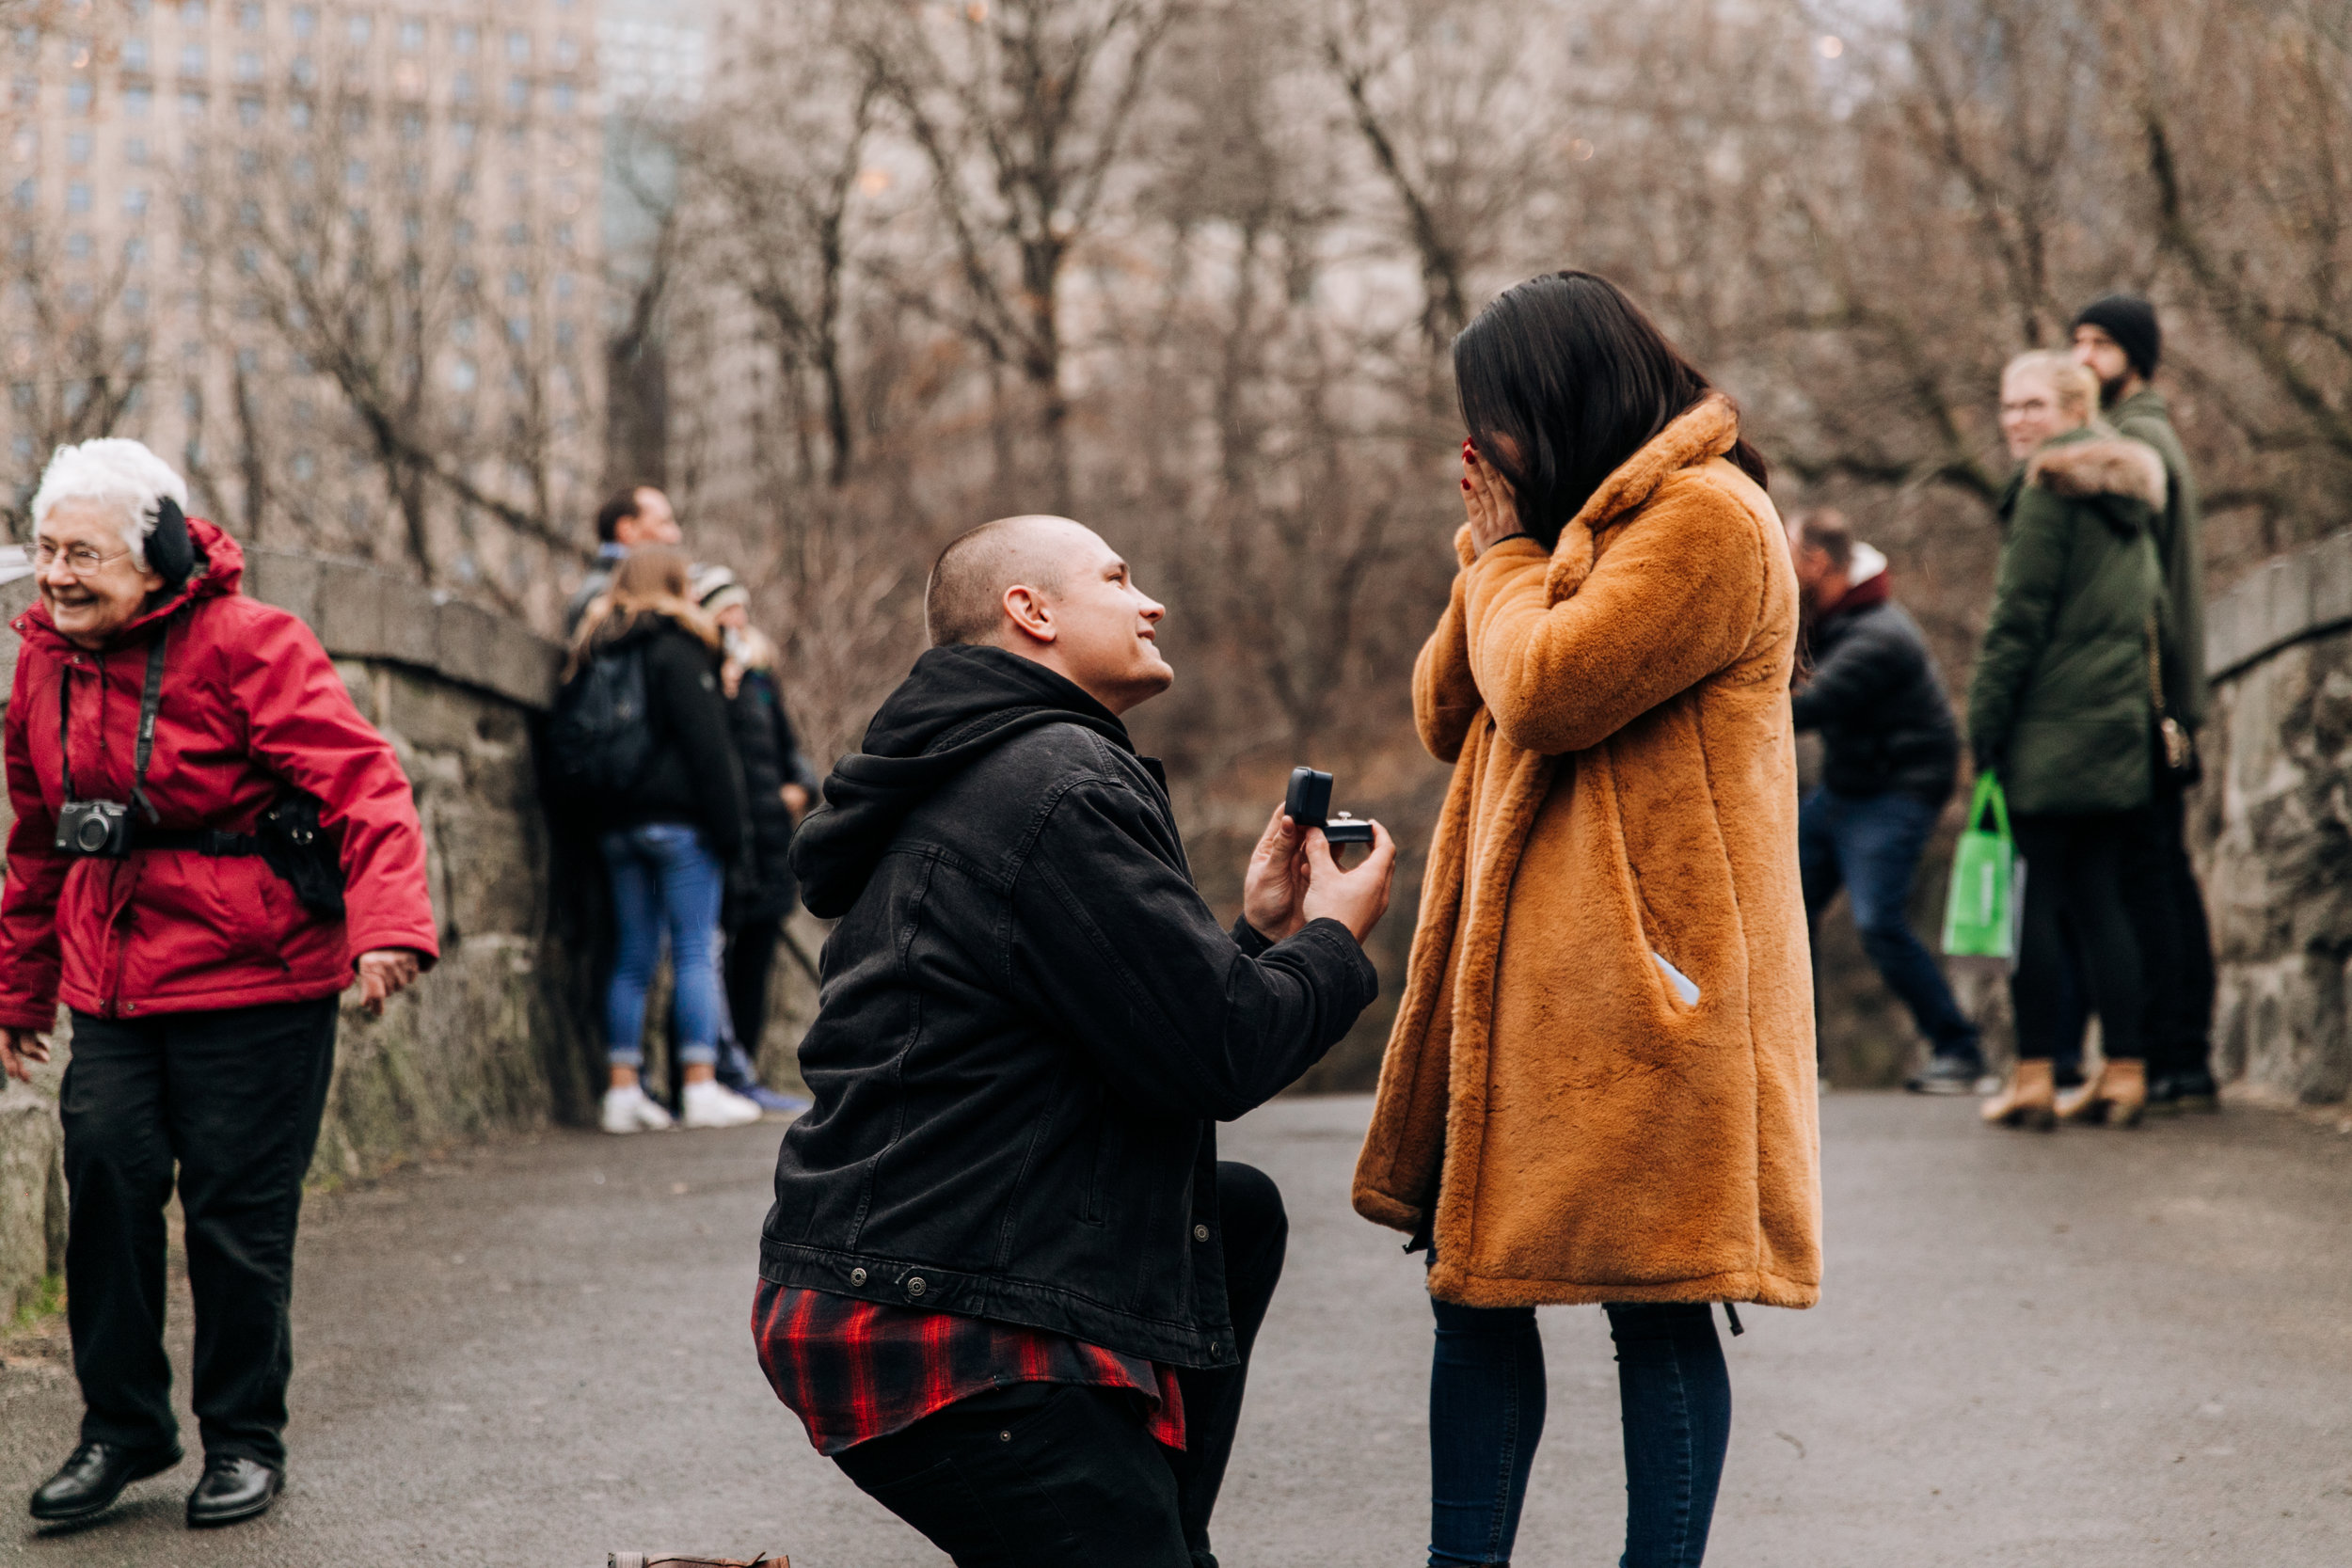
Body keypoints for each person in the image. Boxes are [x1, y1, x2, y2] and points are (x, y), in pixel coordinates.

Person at [755, 514, 1396, 1568]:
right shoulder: (1053, 780)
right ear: (1031, 611)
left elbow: (1144, 1035)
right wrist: (1332, 934)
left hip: (883, 1275)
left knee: (1235, 1215)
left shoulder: (990, 769)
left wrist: (1261, 938)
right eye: (1117, 576)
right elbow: (1220, 1052)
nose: (1149, 602)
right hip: (934, 1316)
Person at [1351, 272, 1820, 1568]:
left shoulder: (1708, 519)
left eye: (1489, 415)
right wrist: (1492, 553)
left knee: (1657, 1307)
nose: (1475, 449)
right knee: (1475, 1291)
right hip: (1523, 993)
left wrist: (1505, 558)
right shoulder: (1569, 540)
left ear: (1558, 396)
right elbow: (1450, 707)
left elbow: (1549, 692)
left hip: (1652, 988)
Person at [0, 439, 437, 1530]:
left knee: (238, 1221)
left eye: (82, 554)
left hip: (257, 975)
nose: (55, 575)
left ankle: (244, 1438)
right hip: (113, 978)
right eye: (45, 550)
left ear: (155, 557)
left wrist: (386, 928)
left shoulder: (253, 645)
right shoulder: (44, 658)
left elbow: (366, 785)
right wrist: (18, 990)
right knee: (104, 1187)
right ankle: (122, 1427)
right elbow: (37, 838)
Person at [1970, 352, 2169, 1130]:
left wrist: (1983, 721)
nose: (2017, 421)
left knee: (2036, 905)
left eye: (2033, 406)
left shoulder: (2050, 489)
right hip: (2114, 728)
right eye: (2008, 406)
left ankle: (2034, 1075)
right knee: (2099, 899)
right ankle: (2124, 1069)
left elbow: (2017, 619)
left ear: (2074, 410)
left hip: (2049, 730)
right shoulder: (2130, 494)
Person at [2071, 294, 2218, 1113]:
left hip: (2146, 698)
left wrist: (2171, 704)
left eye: (2100, 343)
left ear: (2135, 354)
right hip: (2161, 696)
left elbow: (2154, 593)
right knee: (2161, 874)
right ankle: (2179, 1053)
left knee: (2150, 879)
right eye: (2077, 342)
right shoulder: (2142, 433)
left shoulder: (2136, 441)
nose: (2084, 356)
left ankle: (2176, 1052)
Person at [1787, 509, 1980, 1093]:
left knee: (1878, 923)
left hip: (1898, 790)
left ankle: (1960, 1051)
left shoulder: (1878, 635)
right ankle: (1802, 1061)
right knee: (1785, 907)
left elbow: (1803, 706)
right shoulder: (1831, 617)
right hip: (1848, 787)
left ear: (1818, 562)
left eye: (1789, 551)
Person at [566, 549, 759, 1134]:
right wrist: (735, 834)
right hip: (680, 825)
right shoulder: (678, 646)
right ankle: (700, 1085)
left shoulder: (596, 646)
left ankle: (622, 1093)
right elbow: (708, 750)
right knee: (696, 949)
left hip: (614, 823)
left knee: (632, 954)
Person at [692, 565, 816, 1117]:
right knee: (715, 952)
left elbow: (788, 742)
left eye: (739, 609)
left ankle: (744, 1065)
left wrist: (801, 785)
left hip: (772, 833)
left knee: (757, 956)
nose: (736, 620)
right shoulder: (708, 672)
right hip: (728, 835)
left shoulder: (760, 674)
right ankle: (711, 1070)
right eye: (725, 610)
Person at [566, 483, 684, 633]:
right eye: (664, 523)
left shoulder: (607, 587)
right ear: (627, 529)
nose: (675, 536)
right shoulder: (604, 593)